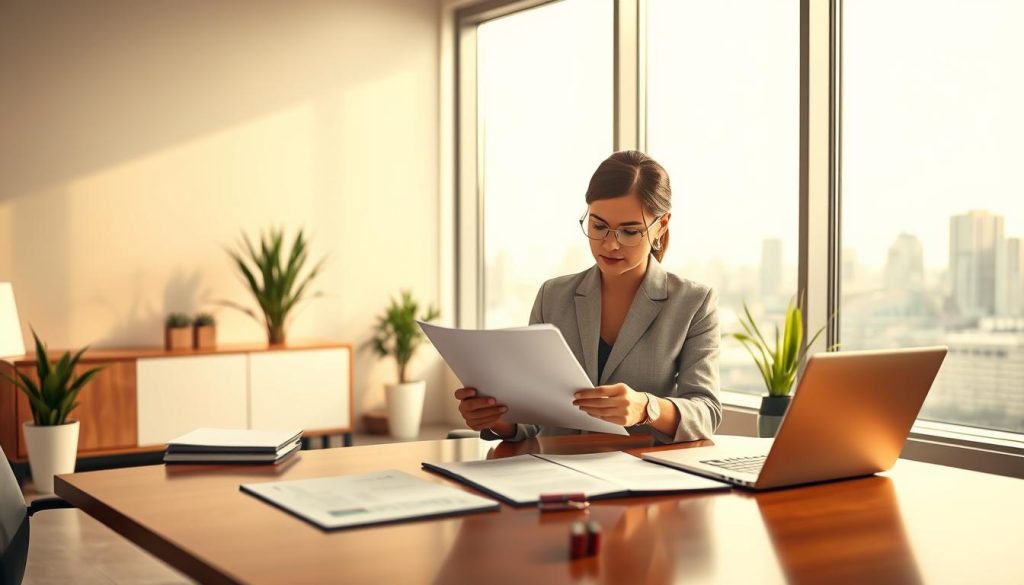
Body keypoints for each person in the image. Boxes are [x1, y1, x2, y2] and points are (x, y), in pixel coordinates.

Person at [454, 151, 721, 443]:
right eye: (598, 226)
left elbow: (706, 412)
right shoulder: (552, 296)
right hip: (551, 472)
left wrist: (646, 407)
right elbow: (531, 417)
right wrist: (498, 419)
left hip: (641, 473)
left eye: (629, 231)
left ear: (662, 225)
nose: (610, 244)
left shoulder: (694, 303)